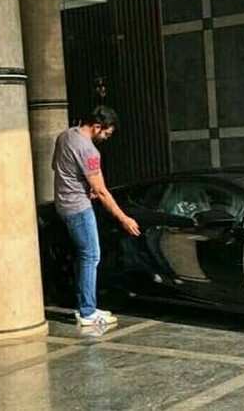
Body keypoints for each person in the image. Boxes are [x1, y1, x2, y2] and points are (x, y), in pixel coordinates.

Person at [52, 106, 141, 327]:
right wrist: (124, 218)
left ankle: (86, 306)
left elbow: (57, 166)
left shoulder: (65, 136)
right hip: (79, 208)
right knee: (91, 256)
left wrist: (82, 184)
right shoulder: (90, 151)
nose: (106, 138)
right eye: (106, 134)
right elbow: (101, 191)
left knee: (84, 255)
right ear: (97, 126)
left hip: (63, 204)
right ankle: (88, 312)